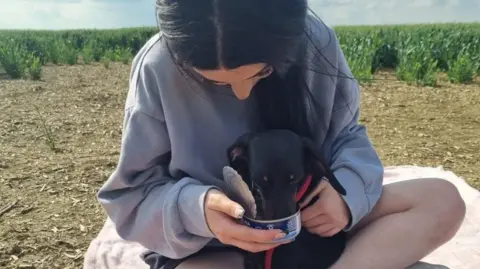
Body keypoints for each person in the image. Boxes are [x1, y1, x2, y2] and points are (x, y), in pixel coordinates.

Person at [96, 0, 466, 268]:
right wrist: (196, 211)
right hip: (221, 245)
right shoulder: (159, 67)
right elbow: (131, 196)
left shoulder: (314, 42)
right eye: (216, 83)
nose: (242, 94)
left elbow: (347, 136)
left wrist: (346, 198)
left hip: (314, 225)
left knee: (442, 199)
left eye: (260, 73)